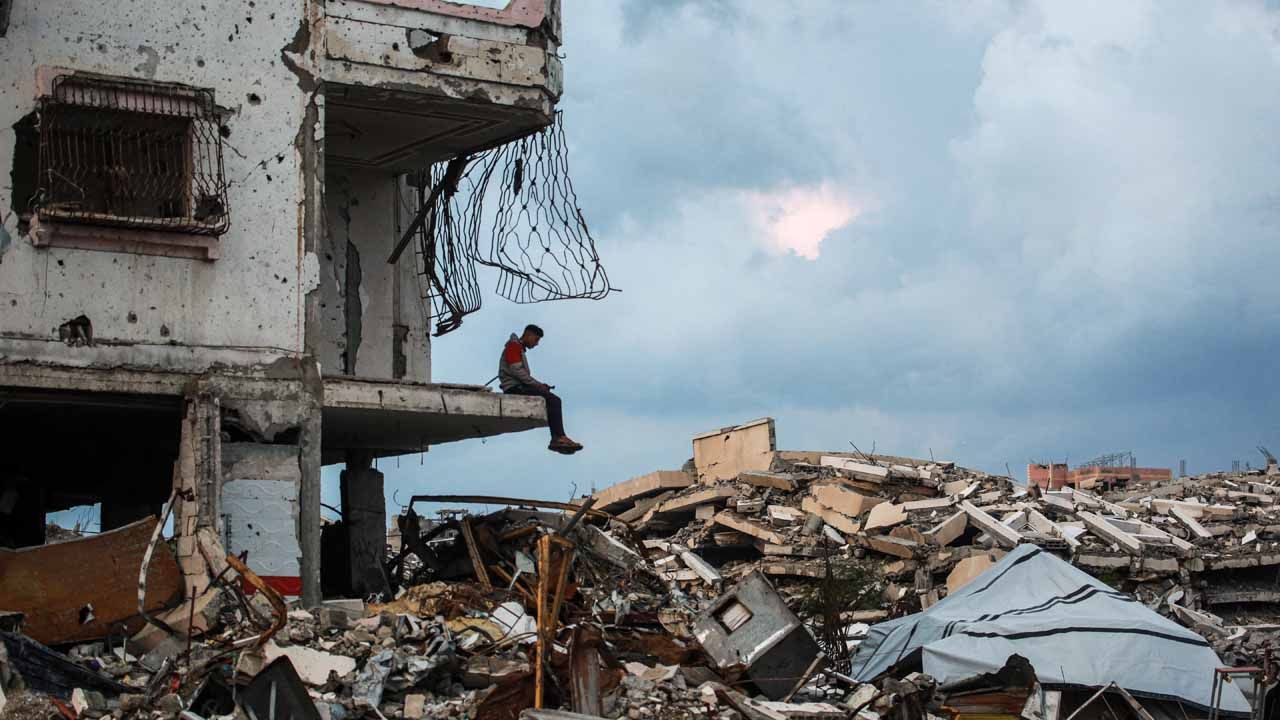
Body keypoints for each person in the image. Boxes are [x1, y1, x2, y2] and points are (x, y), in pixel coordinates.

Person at [499, 324, 583, 454]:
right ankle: (558, 437)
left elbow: (519, 373)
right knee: (554, 400)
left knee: (551, 399)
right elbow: (517, 372)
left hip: (518, 386)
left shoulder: (516, 347)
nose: (537, 343)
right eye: (536, 339)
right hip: (514, 388)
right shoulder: (513, 346)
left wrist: (539, 386)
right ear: (528, 335)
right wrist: (538, 385)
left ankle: (558, 437)